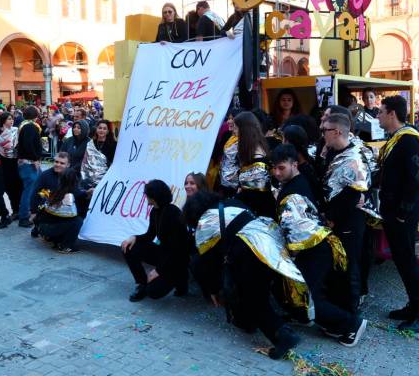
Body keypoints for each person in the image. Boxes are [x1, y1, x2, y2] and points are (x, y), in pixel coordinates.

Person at [183, 191, 303, 360]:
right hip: (268, 248)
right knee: (255, 294)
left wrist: (212, 289)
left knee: (255, 299)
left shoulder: (207, 221)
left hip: (249, 256)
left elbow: (204, 261)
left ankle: (284, 337)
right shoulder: (232, 202)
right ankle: (248, 322)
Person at [271, 144, 367, 347]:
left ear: (294, 164)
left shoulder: (293, 191)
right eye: (275, 168)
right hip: (316, 246)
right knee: (303, 293)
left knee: (307, 297)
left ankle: (352, 325)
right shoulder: (298, 180)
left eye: (281, 168)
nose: (277, 173)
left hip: (314, 248)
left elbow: (297, 229)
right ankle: (328, 322)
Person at [376, 95, 419, 333]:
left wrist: (402, 213)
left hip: (403, 210)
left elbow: (415, 179)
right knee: (402, 259)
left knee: (407, 259)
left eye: (380, 111)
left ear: (392, 114)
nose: (377, 116)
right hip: (395, 208)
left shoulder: (408, 140)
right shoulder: (395, 139)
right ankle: (413, 305)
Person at [321, 113, 374, 315]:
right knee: (338, 264)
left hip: (348, 221)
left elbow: (354, 195)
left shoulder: (354, 159)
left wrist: (332, 218)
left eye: (325, 131)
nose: (322, 134)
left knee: (349, 264)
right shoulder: (332, 152)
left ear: (337, 132)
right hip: (335, 218)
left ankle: (351, 312)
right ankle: (338, 304)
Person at [121, 180, 190, 301]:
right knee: (128, 247)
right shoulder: (155, 211)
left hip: (176, 259)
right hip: (164, 253)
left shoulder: (173, 213)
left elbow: (178, 249)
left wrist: (158, 271)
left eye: (147, 194)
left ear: (154, 197)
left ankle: (180, 278)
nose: (145, 197)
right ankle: (141, 284)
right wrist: (134, 237)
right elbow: (150, 235)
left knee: (153, 292)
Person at [234, 111, 276, 218]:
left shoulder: (257, 161)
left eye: (236, 128)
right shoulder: (255, 149)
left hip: (260, 218)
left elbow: (255, 198)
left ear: (244, 131)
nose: (233, 131)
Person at [33, 166, 83, 253]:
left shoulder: (53, 190)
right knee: (77, 221)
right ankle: (65, 246)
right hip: (50, 228)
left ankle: (53, 239)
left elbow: (41, 198)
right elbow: (72, 217)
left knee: (60, 221)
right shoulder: (69, 196)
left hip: (42, 227)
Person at [17, 106, 43, 228]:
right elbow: (29, 145)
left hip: (26, 162)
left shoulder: (24, 125)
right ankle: (24, 217)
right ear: (35, 115)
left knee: (33, 188)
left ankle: (33, 212)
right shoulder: (30, 127)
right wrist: (35, 159)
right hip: (29, 163)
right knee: (29, 190)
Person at [0, 112, 22, 220]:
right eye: (9, 119)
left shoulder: (17, 131)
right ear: (3, 121)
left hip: (16, 162)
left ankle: (18, 210)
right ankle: (12, 210)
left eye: (12, 119)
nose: (12, 121)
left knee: (18, 187)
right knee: (9, 188)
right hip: (3, 163)